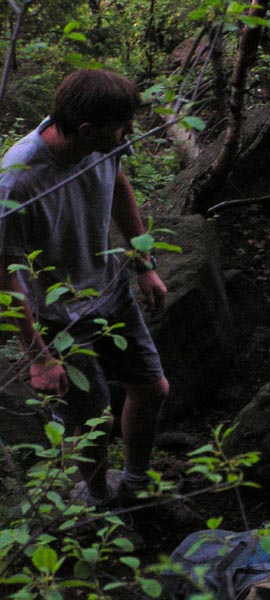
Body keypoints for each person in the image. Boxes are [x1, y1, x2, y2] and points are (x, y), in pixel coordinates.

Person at [0, 69, 169, 508]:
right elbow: (6, 273)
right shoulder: (17, 181)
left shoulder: (103, 143)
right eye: (122, 127)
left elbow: (117, 187)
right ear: (87, 129)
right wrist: (39, 357)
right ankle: (98, 499)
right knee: (92, 418)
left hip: (111, 288)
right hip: (59, 315)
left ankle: (134, 482)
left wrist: (144, 263)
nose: (129, 133)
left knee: (153, 388)